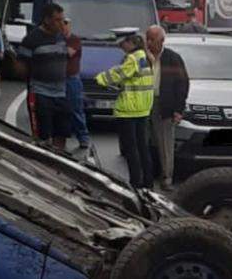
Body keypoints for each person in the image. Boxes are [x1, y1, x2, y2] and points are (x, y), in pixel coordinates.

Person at [96, 32, 155, 189]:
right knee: (143, 148)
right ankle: (148, 183)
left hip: (129, 109)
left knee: (131, 149)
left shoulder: (132, 58)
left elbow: (120, 74)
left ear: (130, 43)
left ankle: (135, 183)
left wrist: (101, 78)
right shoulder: (145, 56)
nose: (120, 47)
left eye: (122, 44)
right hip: (143, 108)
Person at [18, 3, 71, 150]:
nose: (61, 23)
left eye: (63, 19)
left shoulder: (62, 36)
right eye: (57, 20)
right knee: (43, 137)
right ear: (47, 20)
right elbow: (20, 67)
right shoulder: (32, 39)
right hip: (41, 93)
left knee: (62, 133)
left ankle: (60, 163)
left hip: (61, 92)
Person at [146, 25, 189, 190]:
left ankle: (166, 178)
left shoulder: (172, 58)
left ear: (162, 41)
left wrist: (179, 109)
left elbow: (182, 84)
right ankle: (146, 177)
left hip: (164, 104)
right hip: (142, 103)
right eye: (147, 38)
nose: (149, 43)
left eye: (152, 39)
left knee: (165, 143)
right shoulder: (141, 57)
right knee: (144, 142)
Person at [62, 18, 90, 148]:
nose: (63, 27)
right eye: (61, 24)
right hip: (58, 78)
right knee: (59, 109)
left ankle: (83, 137)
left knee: (75, 108)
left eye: (66, 24)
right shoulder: (56, 39)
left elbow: (69, 53)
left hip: (72, 78)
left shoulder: (74, 40)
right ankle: (60, 137)